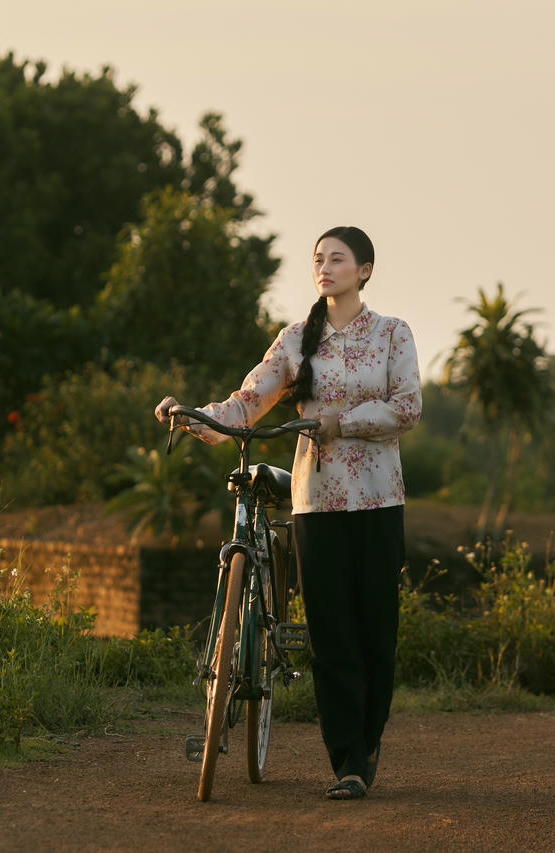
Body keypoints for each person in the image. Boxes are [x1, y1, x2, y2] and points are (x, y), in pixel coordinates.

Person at [154, 225, 421, 800]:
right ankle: (347, 763)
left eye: (338, 259)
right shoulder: (298, 339)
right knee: (330, 634)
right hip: (317, 501)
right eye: (319, 259)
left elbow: (407, 406)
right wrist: (191, 413)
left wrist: (341, 422)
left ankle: (367, 741)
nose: (325, 267)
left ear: (365, 270)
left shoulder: (393, 335)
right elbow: (247, 402)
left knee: (376, 630)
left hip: (378, 501)